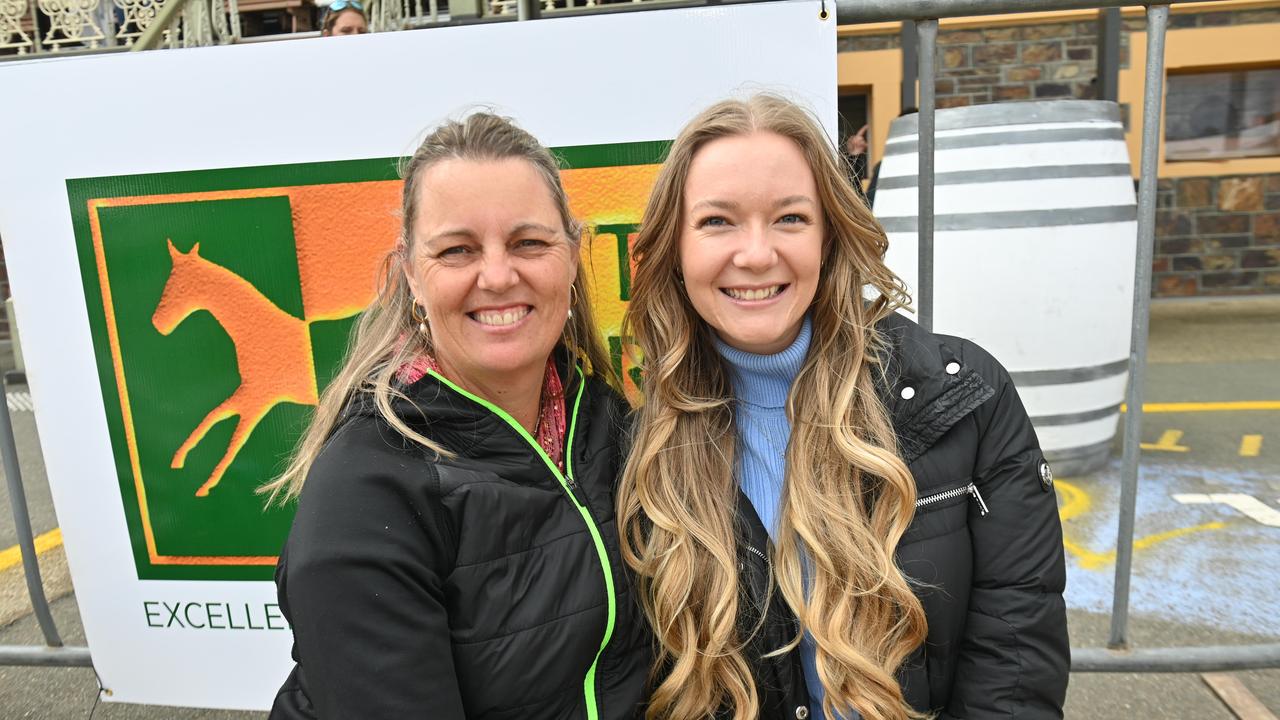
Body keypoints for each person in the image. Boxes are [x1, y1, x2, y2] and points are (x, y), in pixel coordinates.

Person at [617, 94, 1069, 720]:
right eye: (718, 221)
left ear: (829, 236)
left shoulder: (965, 397)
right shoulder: (636, 445)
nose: (755, 254)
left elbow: (1015, 656)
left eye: (790, 218)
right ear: (675, 247)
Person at [263, 113, 649, 719]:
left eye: (528, 242)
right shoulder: (367, 493)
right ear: (413, 276)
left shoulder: (604, 419)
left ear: (574, 258)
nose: (497, 275)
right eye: (457, 250)